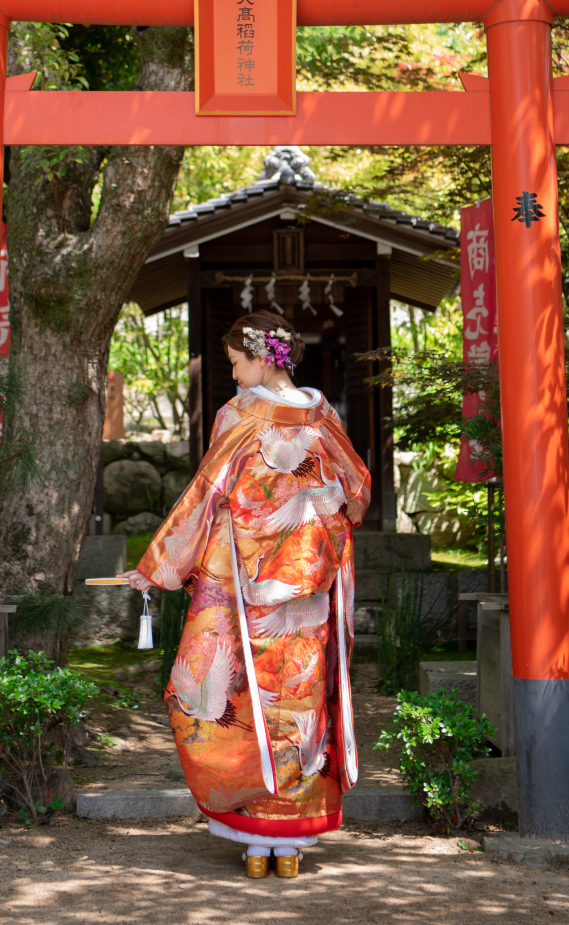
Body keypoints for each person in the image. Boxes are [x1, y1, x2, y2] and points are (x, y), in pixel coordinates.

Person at [120, 310, 370, 878]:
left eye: (235, 363)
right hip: (310, 590)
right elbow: (355, 492)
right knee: (303, 703)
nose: (233, 376)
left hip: (248, 592)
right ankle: (290, 845)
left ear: (261, 358)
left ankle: (255, 842)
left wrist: (159, 567)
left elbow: (206, 497)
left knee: (243, 701)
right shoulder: (324, 416)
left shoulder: (237, 416)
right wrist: (311, 521)